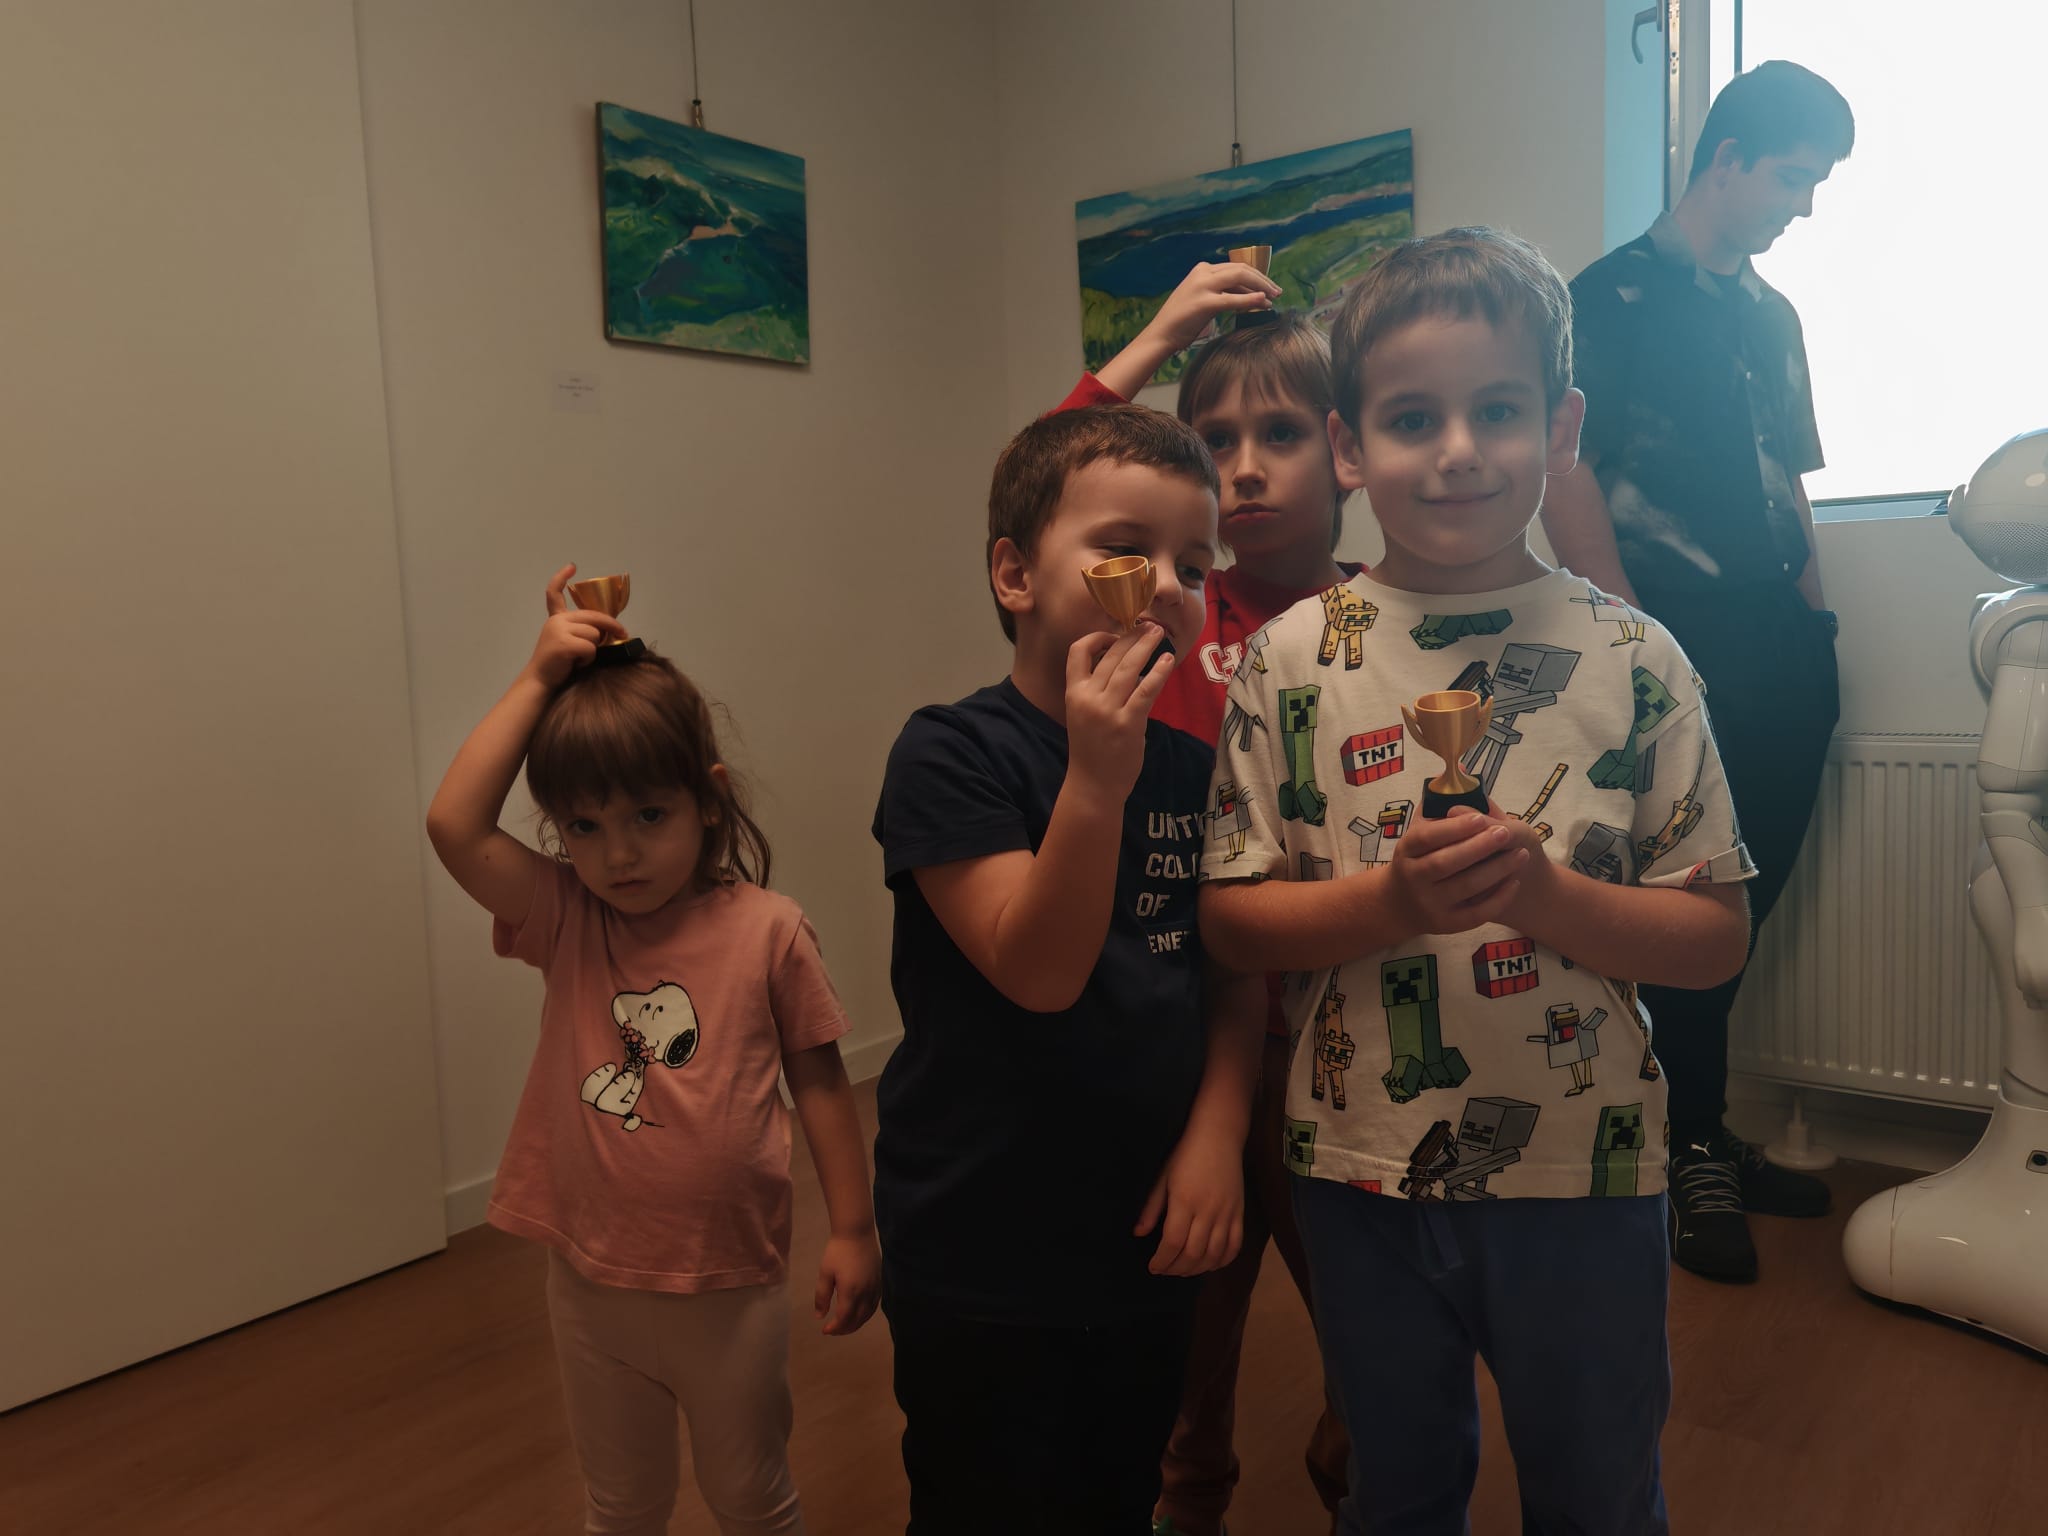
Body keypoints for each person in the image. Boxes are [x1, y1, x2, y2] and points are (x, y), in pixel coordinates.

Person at [1201, 227, 1753, 1535]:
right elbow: (1229, 922)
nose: (1457, 450)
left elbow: (1714, 937)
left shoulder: (1636, 659)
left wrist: (1543, 899)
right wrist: (1390, 906)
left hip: (1583, 1168)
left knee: (1597, 1492)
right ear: (1349, 446)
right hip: (1356, 1169)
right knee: (1394, 1487)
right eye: (1412, 418)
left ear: (1559, 426)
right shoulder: (1285, 662)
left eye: (1496, 411)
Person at [873, 403, 1264, 1534]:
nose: (1168, 586)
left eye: (1194, 565)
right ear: (1015, 575)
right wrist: (1096, 779)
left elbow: (1230, 973)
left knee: (1115, 1489)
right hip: (981, 1244)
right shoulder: (950, 752)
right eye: (1126, 551)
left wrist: (1215, 1137)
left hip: (1140, 1235)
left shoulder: (1197, 769)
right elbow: (1035, 972)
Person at [426, 566, 880, 1536]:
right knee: (620, 1505)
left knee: (750, 1500)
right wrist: (535, 681)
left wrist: (852, 1227)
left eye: (647, 816)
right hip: (589, 1285)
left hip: (728, 1285)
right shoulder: (566, 915)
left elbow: (818, 1082)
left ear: (707, 800)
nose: (618, 854)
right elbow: (453, 824)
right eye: (583, 827)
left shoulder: (768, 931)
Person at [1540, 60, 1856, 1281]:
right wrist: (1628, 636)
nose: (1803, 204)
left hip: (1781, 645)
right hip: (1667, 644)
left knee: (1744, 902)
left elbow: (1788, 480)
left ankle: (1701, 1127)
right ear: (1724, 158)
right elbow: (1564, 466)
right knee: (1678, 900)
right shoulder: (1603, 299)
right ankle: (1678, 1151)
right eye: (1792, 177)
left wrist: (1814, 625)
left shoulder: (1773, 318)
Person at [1055, 264, 1356, 1534]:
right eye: (1212, 439)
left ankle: (1358, 1474)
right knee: (1188, 1322)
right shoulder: (1173, 604)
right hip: (1188, 1027)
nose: (1241, 468)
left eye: (1278, 434)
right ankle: (1189, 1497)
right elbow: (1048, 479)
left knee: (1365, 1322)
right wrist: (1157, 337)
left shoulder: (1383, 614)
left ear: (1344, 450)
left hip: (1342, 1031)